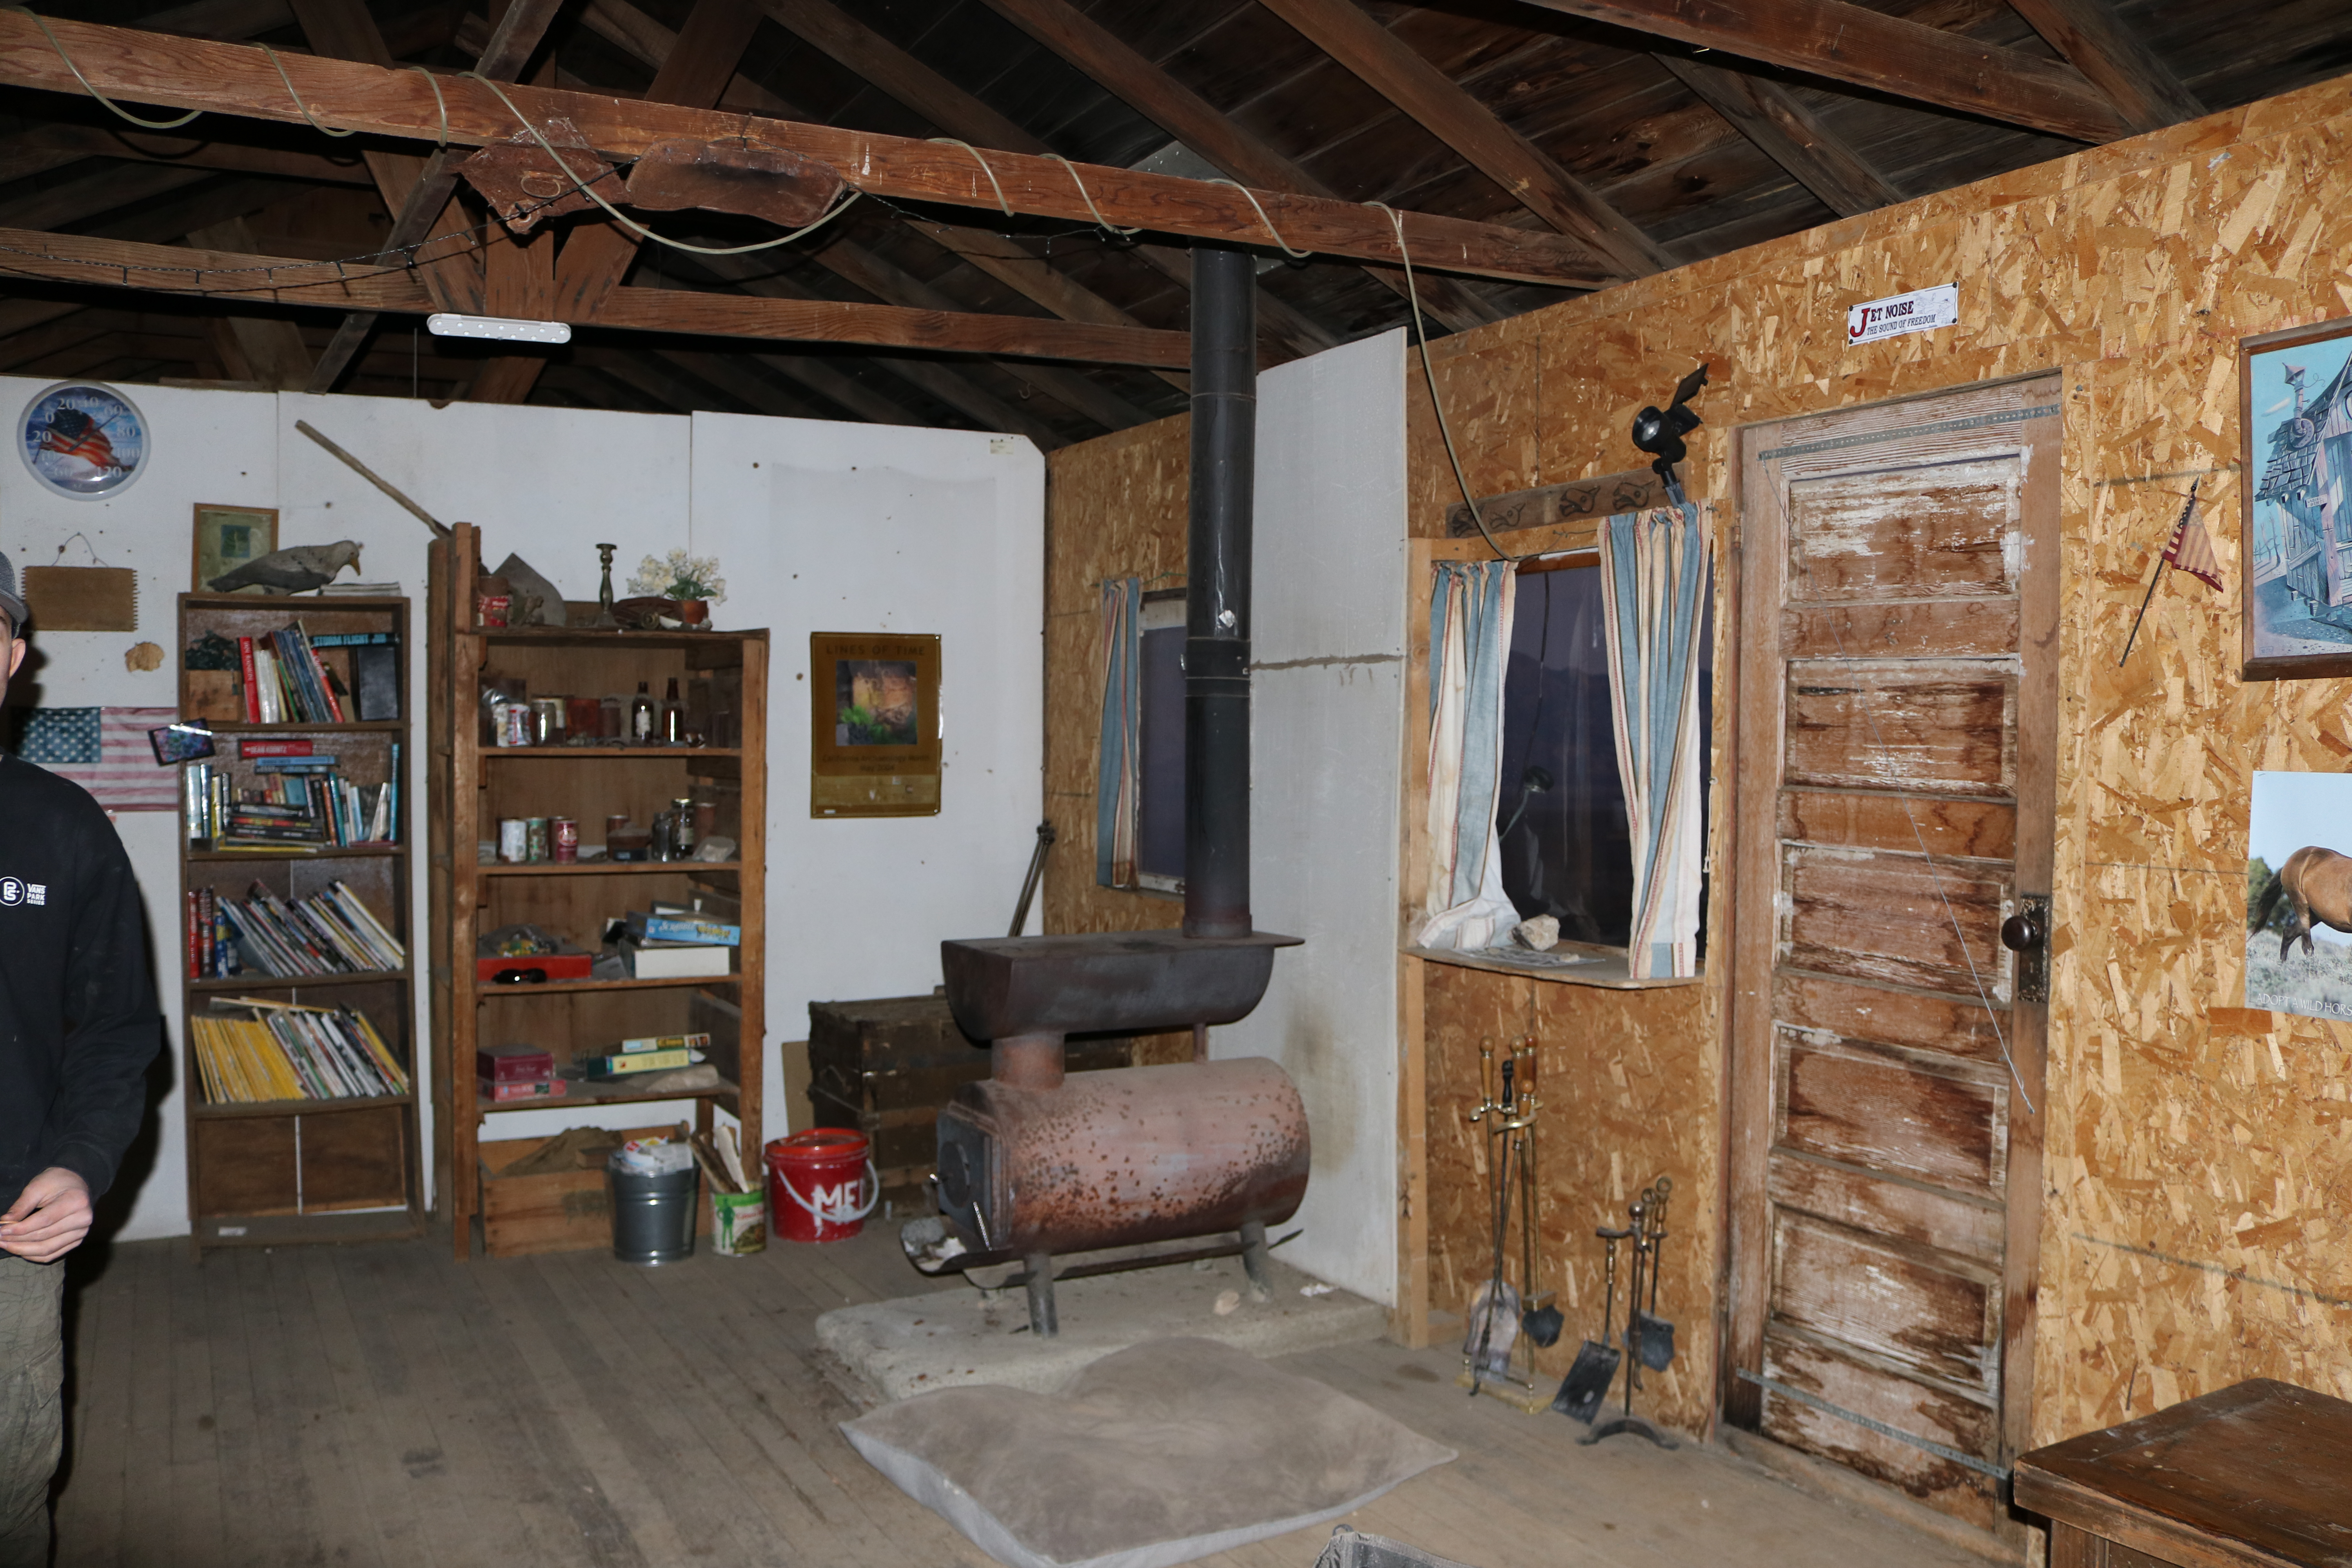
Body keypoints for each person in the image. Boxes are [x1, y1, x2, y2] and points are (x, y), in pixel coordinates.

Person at [0, 549, 161, 1566]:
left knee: (13, 1486)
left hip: (9, 1228)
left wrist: (81, 1159)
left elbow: (114, 1029)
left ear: (9, 658)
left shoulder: (62, 828)